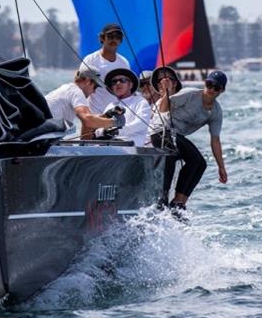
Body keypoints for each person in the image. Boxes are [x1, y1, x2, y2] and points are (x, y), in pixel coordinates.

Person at [148, 67, 228, 215]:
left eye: (215, 87)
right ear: (205, 83)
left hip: (176, 136)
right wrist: (166, 91)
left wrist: (221, 167)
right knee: (172, 154)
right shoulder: (191, 94)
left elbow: (215, 140)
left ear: (221, 90)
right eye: (209, 84)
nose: (211, 89)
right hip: (160, 131)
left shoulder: (216, 112)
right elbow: (163, 108)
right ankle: (163, 198)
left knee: (200, 163)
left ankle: (179, 202)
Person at [45, 65, 124, 135]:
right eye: (95, 87)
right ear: (87, 81)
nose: (94, 92)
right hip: (45, 140)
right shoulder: (76, 92)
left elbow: (89, 120)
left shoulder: (67, 89)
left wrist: (108, 115)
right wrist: (115, 122)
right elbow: (88, 121)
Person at [82, 23, 131, 114]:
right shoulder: (90, 60)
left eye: (117, 37)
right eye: (110, 36)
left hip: (115, 113)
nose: (114, 40)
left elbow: (127, 90)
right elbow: (80, 86)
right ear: (102, 38)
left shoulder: (124, 62)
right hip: (93, 113)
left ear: (121, 41)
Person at [100, 68, 151, 146]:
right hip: (111, 146)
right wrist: (101, 131)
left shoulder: (140, 101)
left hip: (133, 147)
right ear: (112, 87)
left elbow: (141, 124)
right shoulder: (111, 105)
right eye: (114, 82)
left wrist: (118, 131)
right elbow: (101, 124)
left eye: (122, 80)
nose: (118, 83)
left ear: (130, 85)